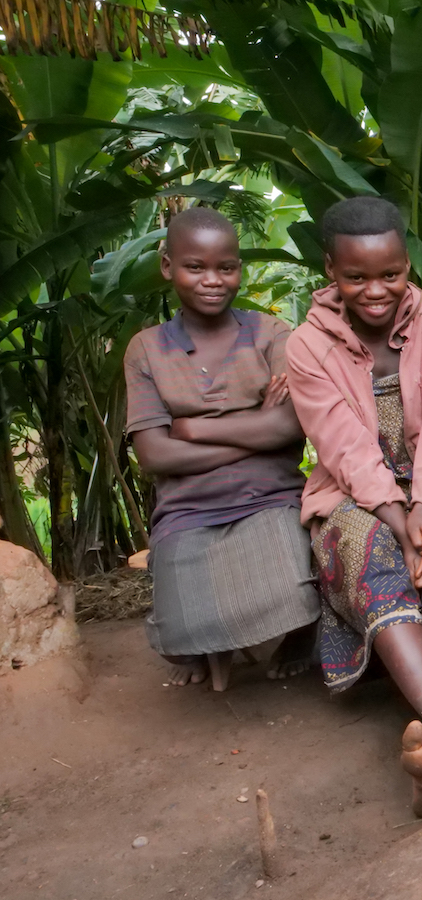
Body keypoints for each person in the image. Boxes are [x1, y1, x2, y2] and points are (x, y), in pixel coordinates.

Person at [286, 196, 422, 818]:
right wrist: (395, 513)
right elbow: (342, 446)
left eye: (391, 273)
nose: (376, 290)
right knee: (374, 550)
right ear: (330, 268)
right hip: (354, 498)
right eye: (356, 277)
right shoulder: (307, 345)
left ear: (408, 263)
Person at [123, 207, 320, 691]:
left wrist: (190, 430)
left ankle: (300, 634)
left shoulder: (271, 334)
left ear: (238, 269)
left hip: (269, 497)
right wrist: (253, 427)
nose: (213, 280)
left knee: (295, 593)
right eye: (196, 267)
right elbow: (154, 457)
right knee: (179, 632)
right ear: (168, 266)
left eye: (226, 267)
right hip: (186, 508)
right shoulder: (145, 349)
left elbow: (289, 431)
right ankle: (210, 638)